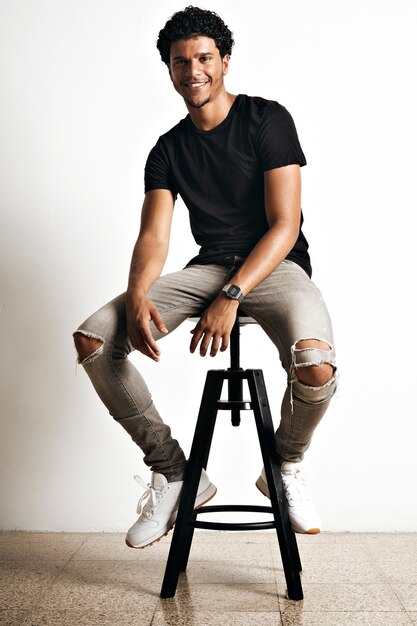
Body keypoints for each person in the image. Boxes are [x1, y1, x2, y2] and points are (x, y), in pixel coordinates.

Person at [73, 6, 337, 549]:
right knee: (95, 340)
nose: (192, 70)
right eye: (180, 61)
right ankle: (174, 473)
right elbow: (154, 237)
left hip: (275, 265)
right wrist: (142, 295)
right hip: (210, 267)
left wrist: (232, 296)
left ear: (224, 62)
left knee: (315, 363)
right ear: (169, 70)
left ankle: (284, 465)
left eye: (203, 58)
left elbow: (285, 225)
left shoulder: (267, 119)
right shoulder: (167, 149)